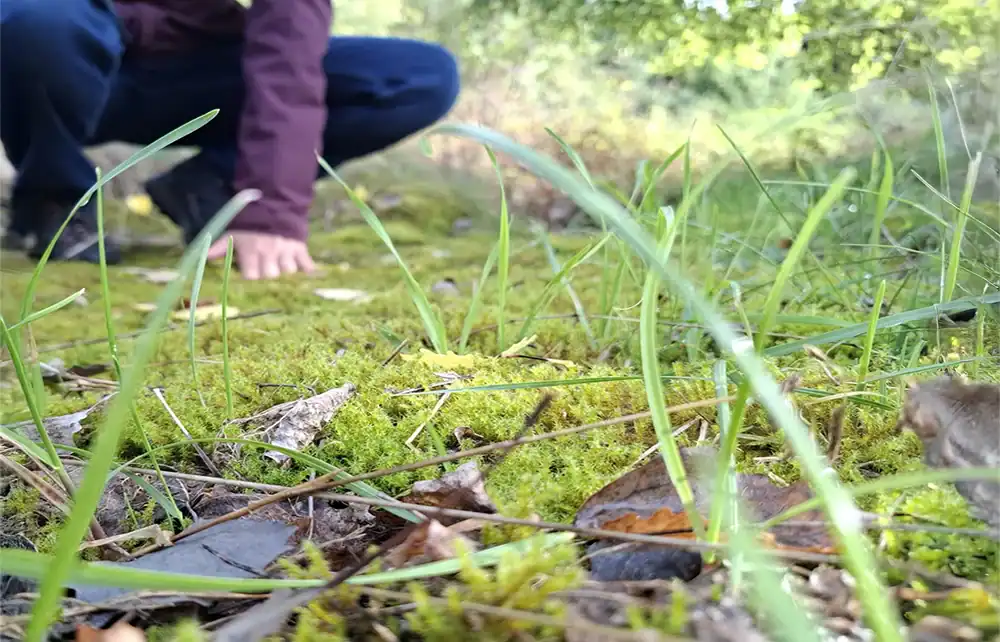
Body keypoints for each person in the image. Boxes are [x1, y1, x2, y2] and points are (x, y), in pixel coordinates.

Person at [0, 0, 460, 280]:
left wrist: (268, 208)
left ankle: (207, 186)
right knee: (37, 22)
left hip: (202, 75)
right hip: (57, 67)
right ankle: (54, 207)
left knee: (419, 77)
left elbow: (289, 49)